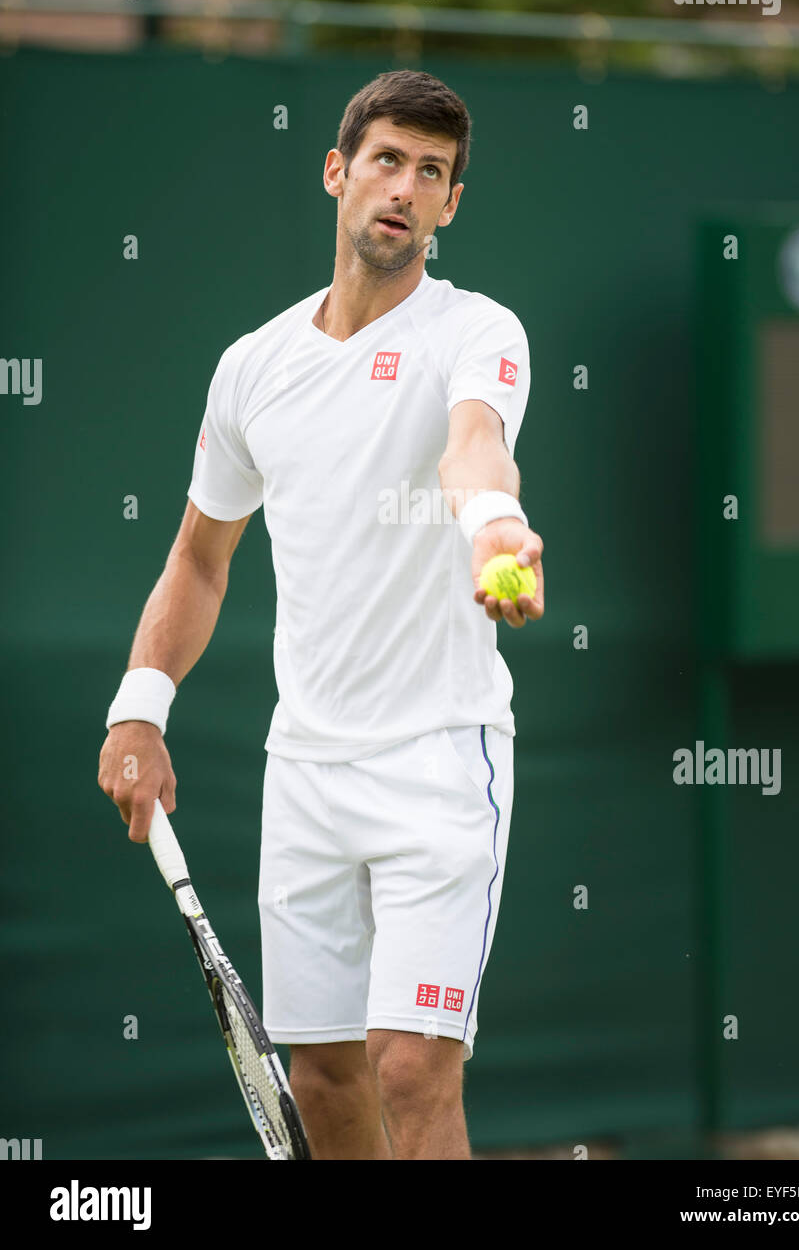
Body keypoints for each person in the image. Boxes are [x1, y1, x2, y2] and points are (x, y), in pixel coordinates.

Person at [98, 68, 545, 1160]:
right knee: (326, 1077)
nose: (404, 186)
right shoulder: (252, 368)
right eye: (386, 159)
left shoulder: (478, 330)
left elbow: (472, 443)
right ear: (339, 172)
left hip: (440, 760)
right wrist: (138, 709)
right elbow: (199, 561)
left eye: (431, 172)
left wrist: (495, 526)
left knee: (409, 1063)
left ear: (450, 205)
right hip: (303, 770)